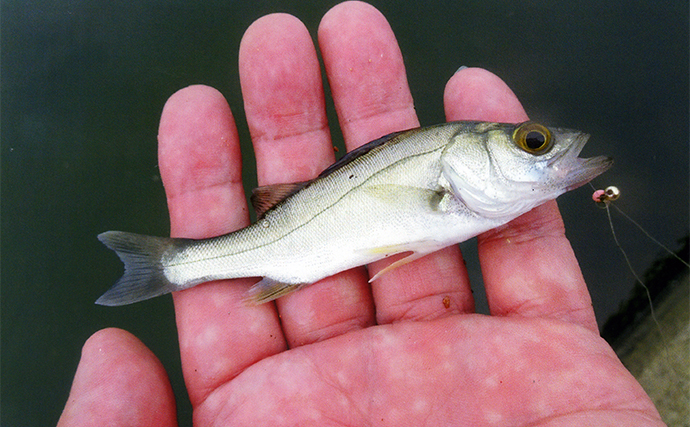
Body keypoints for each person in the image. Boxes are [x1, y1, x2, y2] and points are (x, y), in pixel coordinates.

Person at [58, 2, 664, 425]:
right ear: (464, 156)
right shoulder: (451, 185)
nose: (549, 148)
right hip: (308, 241)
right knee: (201, 261)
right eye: (531, 143)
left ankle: (179, 263)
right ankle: (177, 264)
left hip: (344, 234)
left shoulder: (466, 194)